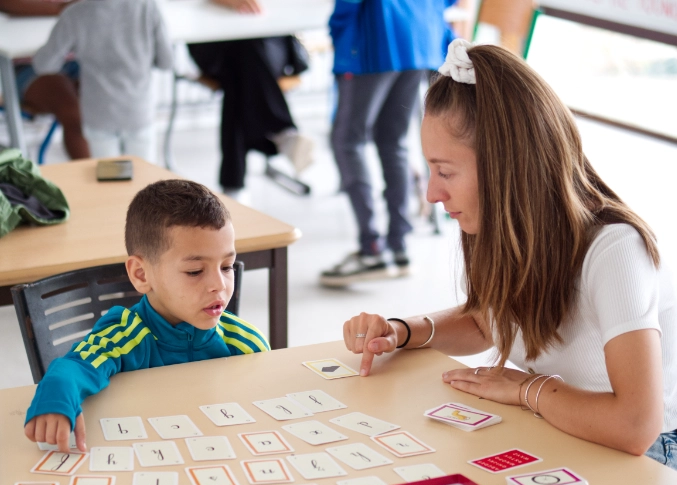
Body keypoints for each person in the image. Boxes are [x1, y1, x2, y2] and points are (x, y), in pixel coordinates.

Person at [342, 40, 677, 469]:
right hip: (558, 429)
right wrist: (402, 331)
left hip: (645, 461)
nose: (431, 193)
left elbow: (635, 427)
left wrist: (525, 389)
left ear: (507, 166)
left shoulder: (615, 251)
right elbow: (490, 320)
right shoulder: (509, 230)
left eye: (445, 171)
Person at [24, 179, 270, 453]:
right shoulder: (125, 335)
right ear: (141, 274)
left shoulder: (245, 344)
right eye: (194, 271)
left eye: (226, 266)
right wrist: (56, 399)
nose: (219, 285)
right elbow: (74, 367)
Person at [320, 0, 456, 287]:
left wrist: (339, 31)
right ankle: (398, 246)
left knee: (347, 141)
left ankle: (372, 247)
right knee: (393, 142)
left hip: (374, 37)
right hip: (421, 37)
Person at [186, 0, 314, 194]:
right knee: (242, 63)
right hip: (216, 44)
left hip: (266, 40)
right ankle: (280, 131)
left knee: (240, 74)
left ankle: (233, 182)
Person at [31, 0, 173, 162]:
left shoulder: (75, 13)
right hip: (138, 110)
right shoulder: (147, 7)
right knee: (145, 177)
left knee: (107, 179)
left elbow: (44, 65)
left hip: (99, 114)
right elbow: (166, 62)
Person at [0, 0, 90, 159]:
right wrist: (68, 8)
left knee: (117, 100)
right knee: (74, 113)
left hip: (80, 58)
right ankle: (97, 180)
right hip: (25, 64)